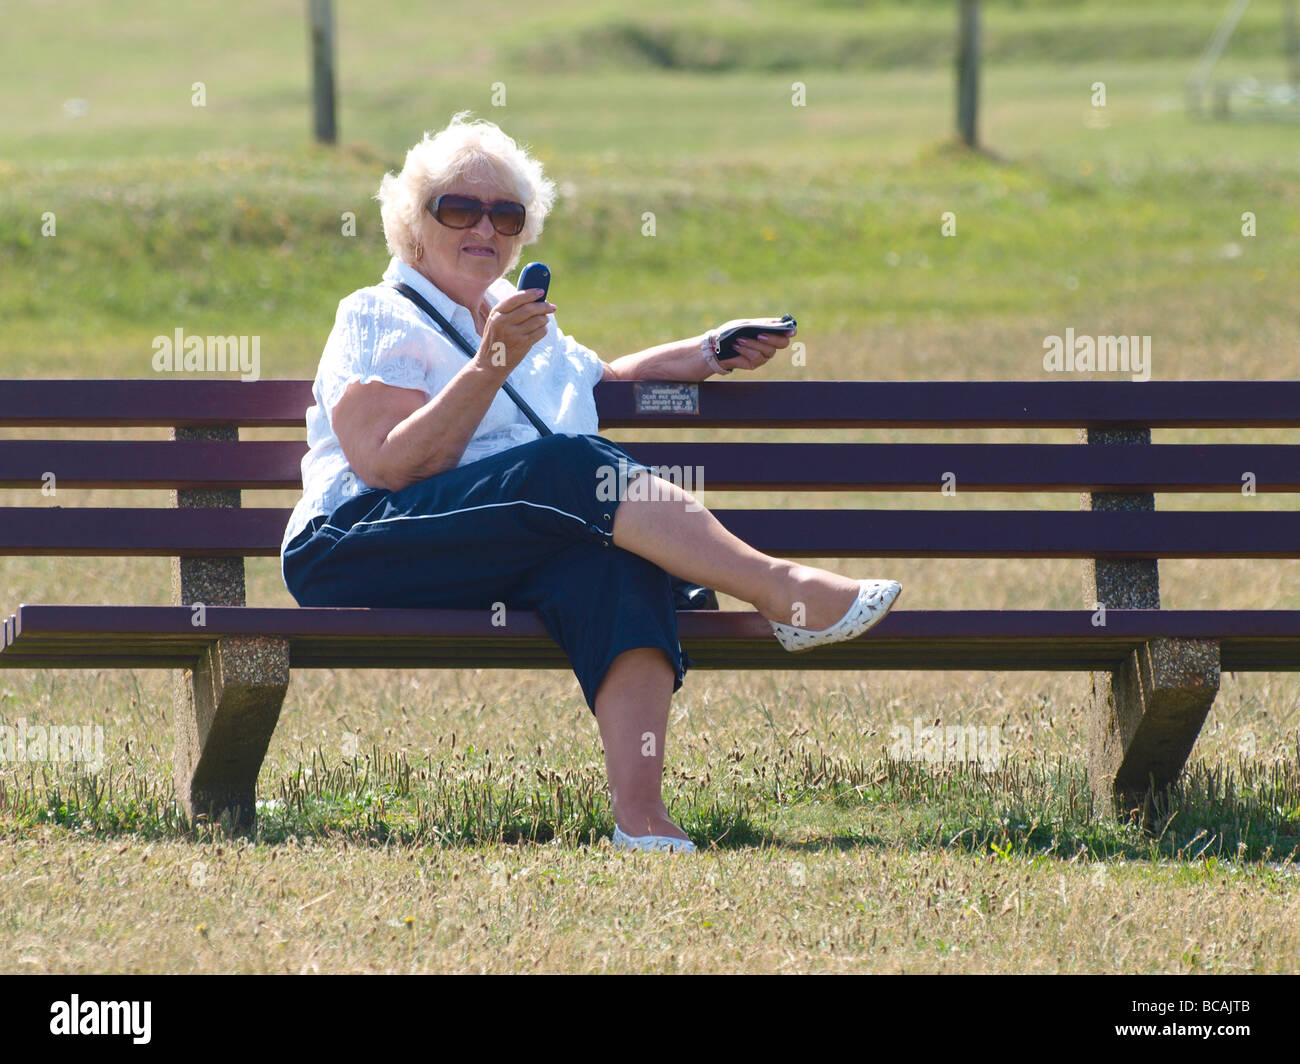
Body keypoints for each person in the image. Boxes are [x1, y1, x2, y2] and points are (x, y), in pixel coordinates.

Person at [280, 112, 901, 854]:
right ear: (415, 223)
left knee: (612, 561)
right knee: (573, 468)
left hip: (484, 546)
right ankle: (777, 587)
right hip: (356, 544)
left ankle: (640, 817)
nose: (485, 227)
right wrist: (487, 367)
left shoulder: (524, 323)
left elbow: (605, 377)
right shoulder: (378, 315)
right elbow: (385, 463)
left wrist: (709, 350)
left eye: (505, 214)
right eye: (460, 208)